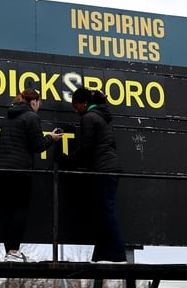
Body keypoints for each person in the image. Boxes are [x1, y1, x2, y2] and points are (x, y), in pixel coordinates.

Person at [0, 88, 62, 262]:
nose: (39, 107)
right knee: (20, 209)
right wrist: (51, 138)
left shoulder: (9, 116)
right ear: (34, 102)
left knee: (7, 212)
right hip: (19, 170)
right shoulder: (32, 117)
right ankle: (14, 251)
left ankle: (10, 253)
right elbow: (37, 145)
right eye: (39, 104)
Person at [70, 87, 127, 263]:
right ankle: (100, 255)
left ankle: (119, 256)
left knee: (107, 211)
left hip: (103, 169)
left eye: (76, 105)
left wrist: (68, 159)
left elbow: (86, 147)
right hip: (109, 168)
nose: (75, 109)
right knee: (103, 212)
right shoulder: (102, 117)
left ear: (84, 103)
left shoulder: (88, 118)